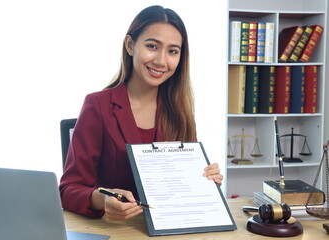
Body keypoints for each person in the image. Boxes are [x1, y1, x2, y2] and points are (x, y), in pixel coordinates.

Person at [59, 5, 223, 221]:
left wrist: (206, 181)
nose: (161, 61)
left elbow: (183, 186)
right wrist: (103, 200)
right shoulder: (97, 105)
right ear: (130, 45)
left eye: (173, 51)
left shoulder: (180, 112)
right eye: (152, 46)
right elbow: (68, 189)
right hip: (117, 230)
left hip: (169, 230)